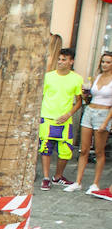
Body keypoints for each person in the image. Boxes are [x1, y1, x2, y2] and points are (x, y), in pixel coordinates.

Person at [39, 47, 84, 189]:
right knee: (46, 147)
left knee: (66, 151)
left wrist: (68, 114)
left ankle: (58, 176)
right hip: (47, 117)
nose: (60, 62)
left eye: (64, 60)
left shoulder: (77, 79)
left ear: (71, 61)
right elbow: (41, 96)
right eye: (59, 59)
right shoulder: (48, 76)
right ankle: (46, 177)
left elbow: (79, 101)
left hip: (65, 120)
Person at [73, 50, 112, 193]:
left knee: (99, 151)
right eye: (103, 62)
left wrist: (106, 122)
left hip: (104, 113)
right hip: (90, 110)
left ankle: (95, 183)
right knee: (83, 149)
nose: (105, 65)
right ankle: (78, 181)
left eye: (108, 62)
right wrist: (85, 95)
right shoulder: (97, 77)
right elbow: (89, 97)